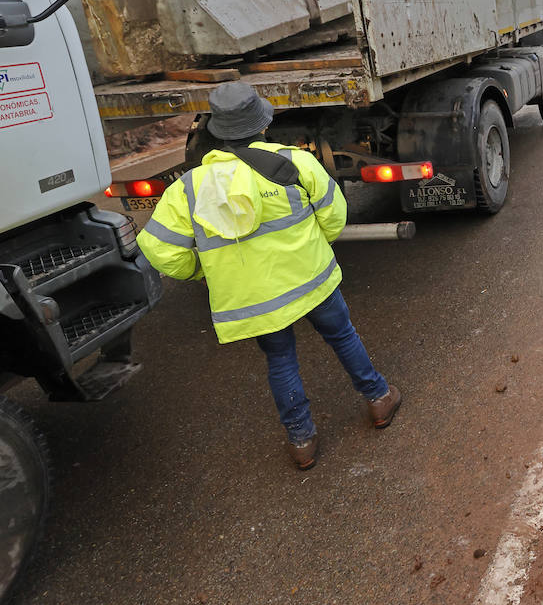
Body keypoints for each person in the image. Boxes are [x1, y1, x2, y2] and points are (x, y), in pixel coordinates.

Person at [136, 82, 401, 470]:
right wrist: (314, 245)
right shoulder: (295, 163)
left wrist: (201, 271)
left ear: (217, 133)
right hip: (312, 280)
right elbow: (334, 215)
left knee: (280, 360)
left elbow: (158, 249)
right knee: (342, 336)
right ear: (262, 126)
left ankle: (301, 441)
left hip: (255, 299)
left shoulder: (189, 188)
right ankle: (379, 399)